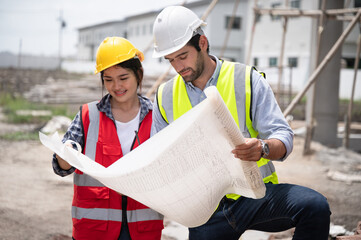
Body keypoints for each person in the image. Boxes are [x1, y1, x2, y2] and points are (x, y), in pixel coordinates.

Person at [151, 5, 331, 240]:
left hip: (256, 197)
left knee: (314, 206)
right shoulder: (164, 96)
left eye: (183, 56)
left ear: (202, 43)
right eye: (170, 60)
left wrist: (262, 148)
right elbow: (161, 157)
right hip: (207, 211)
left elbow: (283, 136)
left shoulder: (247, 80)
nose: (178, 67)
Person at [52, 37, 164, 240]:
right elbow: (61, 167)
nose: (116, 86)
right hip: (94, 230)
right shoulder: (88, 115)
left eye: (123, 78)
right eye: (108, 79)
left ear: (138, 75)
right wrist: (66, 153)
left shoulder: (157, 115)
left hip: (142, 229)